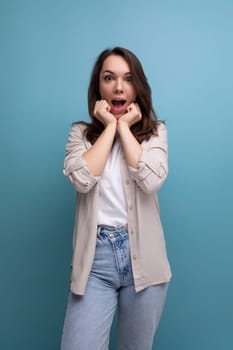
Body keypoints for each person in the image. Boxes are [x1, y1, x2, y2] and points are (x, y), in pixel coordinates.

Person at [61, 47, 172, 350]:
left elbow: (151, 180)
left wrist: (125, 129)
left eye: (127, 78)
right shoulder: (80, 135)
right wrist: (111, 127)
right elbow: (82, 180)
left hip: (145, 262)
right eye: (109, 78)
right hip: (95, 261)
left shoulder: (155, 134)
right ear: (99, 86)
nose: (118, 87)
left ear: (138, 86)